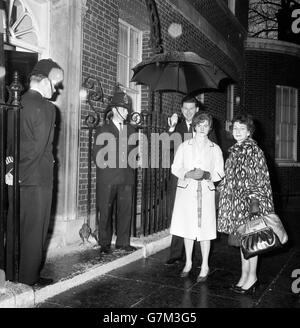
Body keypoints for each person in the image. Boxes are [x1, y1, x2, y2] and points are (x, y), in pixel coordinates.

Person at [5, 59, 64, 286]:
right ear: (45, 80)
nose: (56, 89)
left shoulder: (15, 102)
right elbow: (39, 149)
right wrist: (22, 174)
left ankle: (11, 274)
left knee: (15, 227)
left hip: (13, 177)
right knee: (34, 231)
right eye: (55, 83)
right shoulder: (47, 108)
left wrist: (11, 171)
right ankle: (28, 278)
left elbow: (9, 143)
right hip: (36, 179)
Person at [217, 114, 274, 294]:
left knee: (252, 241)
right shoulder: (235, 150)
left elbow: (259, 178)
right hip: (236, 204)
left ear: (249, 132)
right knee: (244, 242)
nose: (238, 132)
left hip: (250, 204)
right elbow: (229, 178)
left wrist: (255, 204)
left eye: (242, 129)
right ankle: (244, 276)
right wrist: (218, 188)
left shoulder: (253, 150)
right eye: (235, 128)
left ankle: (252, 278)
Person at [170, 111, 224, 281]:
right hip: (187, 191)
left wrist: (207, 175)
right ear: (194, 126)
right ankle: (188, 263)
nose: (202, 128)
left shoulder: (215, 148)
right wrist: (188, 174)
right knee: (188, 228)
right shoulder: (184, 146)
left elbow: (220, 172)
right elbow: (175, 167)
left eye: (205, 125)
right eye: (199, 125)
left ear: (209, 128)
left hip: (205, 192)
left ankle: (205, 265)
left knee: (205, 230)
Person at [166, 95, 217, 265]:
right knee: (181, 216)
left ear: (196, 110)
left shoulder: (206, 127)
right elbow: (165, 148)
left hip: (203, 182)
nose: (188, 112)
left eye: (191, 109)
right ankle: (175, 255)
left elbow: (214, 155)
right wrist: (171, 128)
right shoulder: (177, 127)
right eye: (184, 109)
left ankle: (197, 257)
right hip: (182, 178)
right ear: (181, 110)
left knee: (200, 218)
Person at [93, 88, 137, 254]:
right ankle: (104, 243)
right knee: (105, 210)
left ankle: (123, 242)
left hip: (126, 177)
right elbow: (97, 155)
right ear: (113, 110)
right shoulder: (103, 130)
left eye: (127, 109)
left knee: (125, 211)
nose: (126, 112)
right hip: (108, 177)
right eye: (123, 109)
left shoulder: (131, 130)